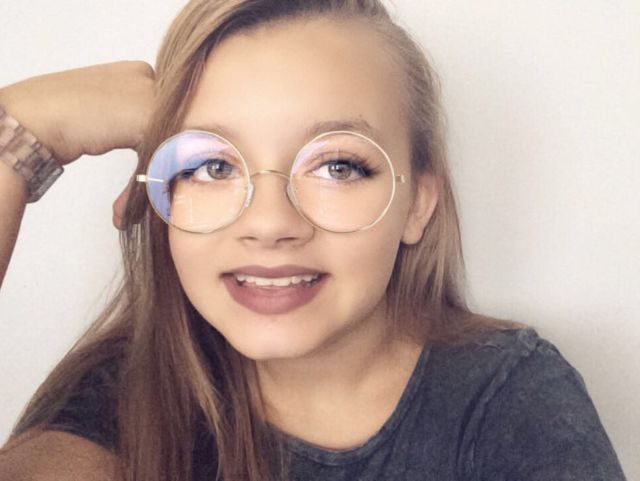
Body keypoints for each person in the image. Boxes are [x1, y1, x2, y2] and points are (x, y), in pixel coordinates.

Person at [0, 1, 627, 480]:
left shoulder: (507, 397)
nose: (270, 223)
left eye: (338, 166)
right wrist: (21, 136)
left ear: (417, 205)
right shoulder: (116, 398)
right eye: (213, 165)